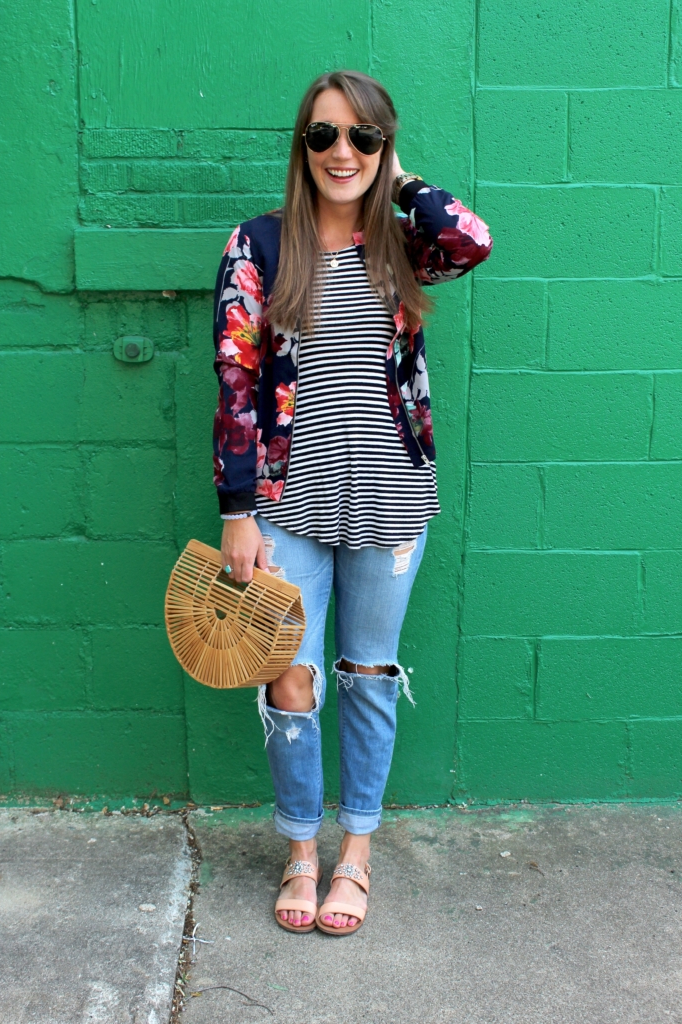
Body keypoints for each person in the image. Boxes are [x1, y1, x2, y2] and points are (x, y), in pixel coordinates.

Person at [212, 69, 492, 936]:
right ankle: (301, 848)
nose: (342, 153)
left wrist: (400, 180)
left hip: (390, 495)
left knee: (368, 675)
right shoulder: (257, 245)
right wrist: (236, 511)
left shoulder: (406, 247)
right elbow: (236, 379)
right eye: (324, 136)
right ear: (301, 147)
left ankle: (356, 855)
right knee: (289, 677)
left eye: (362, 138)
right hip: (288, 502)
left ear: (383, 144)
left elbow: (471, 238)